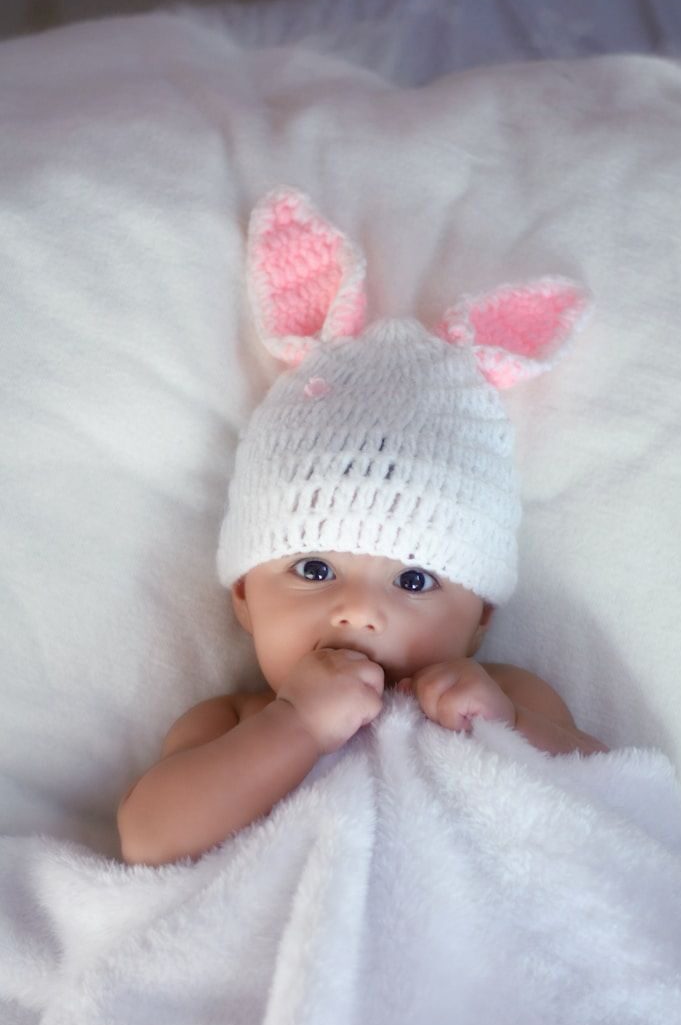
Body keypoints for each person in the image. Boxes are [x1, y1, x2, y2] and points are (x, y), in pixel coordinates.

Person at [117, 186, 606, 868]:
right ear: (244, 599)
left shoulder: (511, 698)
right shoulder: (236, 723)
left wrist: (509, 729)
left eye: (413, 578)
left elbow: (615, 804)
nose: (357, 610)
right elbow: (149, 839)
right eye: (313, 570)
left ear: (480, 619)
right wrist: (296, 727)